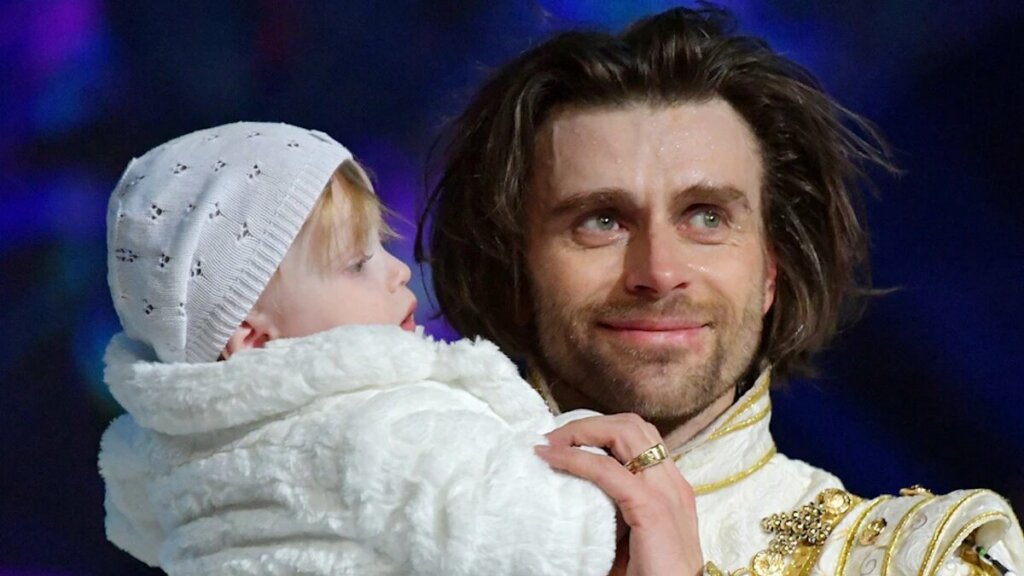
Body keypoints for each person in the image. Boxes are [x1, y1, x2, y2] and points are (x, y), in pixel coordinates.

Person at [419, 6, 1023, 576]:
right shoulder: (395, 533)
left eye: (707, 217)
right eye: (601, 221)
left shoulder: (926, 559)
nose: (659, 272)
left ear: (771, 270)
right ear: (514, 269)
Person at [98, 122, 620, 575]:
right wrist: (605, 458)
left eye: (381, 248)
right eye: (356, 264)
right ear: (254, 339)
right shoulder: (386, 428)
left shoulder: (168, 471)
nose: (397, 272)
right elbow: (554, 541)